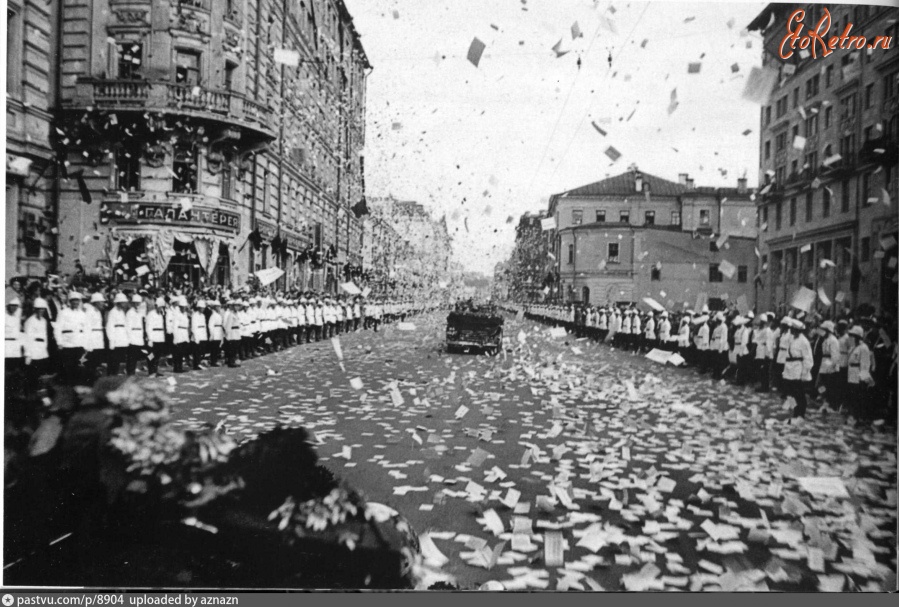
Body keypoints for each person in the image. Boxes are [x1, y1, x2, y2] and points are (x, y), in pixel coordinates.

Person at [782, 319, 813, 423]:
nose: (791, 331)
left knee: (799, 393)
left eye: (793, 329)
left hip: (798, 369)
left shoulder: (804, 341)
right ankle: (795, 411)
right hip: (789, 368)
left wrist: (804, 373)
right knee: (790, 393)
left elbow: (808, 359)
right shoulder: (792, 339)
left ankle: (801, 413)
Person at [54, 291, 87, 383]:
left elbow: (86, 329)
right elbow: (57, 328)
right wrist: (59, 342)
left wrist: (86, 343)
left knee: (79, 365)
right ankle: (68, 385)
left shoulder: (82, 314)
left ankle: (77, 385)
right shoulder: (63, 312)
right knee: (68, 366)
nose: (76, 303)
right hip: (67, 343)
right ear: (70, 301)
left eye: (77, 301)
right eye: (73, 300)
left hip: (79, 343)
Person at [846, 325, 874, 420]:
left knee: (857, 396)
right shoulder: (854, 347)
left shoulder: (863, 348)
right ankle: (852, 414)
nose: (851, 337)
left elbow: (865, 364)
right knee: (851, 394)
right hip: (851, 374)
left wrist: (863, 377)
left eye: (853, 335)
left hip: (858, 375)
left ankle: (857, 416)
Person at [23, 297, 53, 387]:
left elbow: (45, 337)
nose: (41, 310)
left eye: (43, 309)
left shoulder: (44, 321)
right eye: (39, 309)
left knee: (42, 373)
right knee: (33, 374)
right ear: (35, 309)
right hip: (33, 350)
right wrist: (28, 354)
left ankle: (41, 392)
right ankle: (33, 394)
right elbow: (27, 338)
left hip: (42, 350)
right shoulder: (30, 321)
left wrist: (45, 349)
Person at [106, 293, 130, 376]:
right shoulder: (113, 312)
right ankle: (111, 376)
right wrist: (111, 340)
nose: (124, 303)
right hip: (115, 337)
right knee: (113, 360)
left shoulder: (122, 312)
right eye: (123, 302)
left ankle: (114, 375)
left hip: (122, 337)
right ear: (119, 302)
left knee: (118, 359)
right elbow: (110, 326)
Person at [84, 293, 106, 378]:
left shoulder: (98, 312)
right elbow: (87, 327)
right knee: (91, 361)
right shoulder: (90, 311)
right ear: (96, 302)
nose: (103, 304)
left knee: (96, 360)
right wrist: (88, 343)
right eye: (101, 302)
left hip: (98, 339)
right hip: (92, 339)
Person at [125, 294, 146, 376]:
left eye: (139, 303)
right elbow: (128, 326)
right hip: (132, 336)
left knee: (135, 356)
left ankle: (132, 372)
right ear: (133, 303)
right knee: (131, 357)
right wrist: (129, 338)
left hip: (138, 336)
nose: (138, 304)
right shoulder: (130, 313)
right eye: (136, 303)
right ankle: (130, 372)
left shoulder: (139, 313)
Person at [146, 297, 166, 377]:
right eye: (159, 306)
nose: (160, 308)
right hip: (153, 337)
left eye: (162, 307)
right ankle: (151, 371)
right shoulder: (151, 314)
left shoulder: (161, 314)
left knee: (157, 355)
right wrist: (150, 339)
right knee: (151, 355)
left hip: (160, 337)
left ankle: (155, 370)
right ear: (156, 306)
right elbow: (149, 327)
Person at [6, 296, 24, 379]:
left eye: (16, 306)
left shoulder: (17, 318)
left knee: (14, 368)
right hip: (5, 345)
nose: (14, 308)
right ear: (8, 306)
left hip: (15, 346)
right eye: (12, 305)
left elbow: (18, 333)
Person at [753, 314, 772, 392]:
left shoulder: (767, 330)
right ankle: (762, 385)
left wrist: (767, 355)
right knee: (760, 370)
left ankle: (765, 387)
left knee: (764, 371)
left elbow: (769, 343)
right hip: (759, 351)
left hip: (764, 352)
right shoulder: (758, 330)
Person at [172, 297, 190, 373]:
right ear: (180, 307)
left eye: (185, 307)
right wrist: (175, 337)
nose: (183, 308)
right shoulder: (177, 314)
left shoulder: (185, 314)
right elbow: (175, 326)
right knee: (178, 352)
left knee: (182, 351)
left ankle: (180, 366)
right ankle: (176, 367)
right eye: (182, 307)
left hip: (184, 333)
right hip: (179, 333)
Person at [223, 300, 242, 368]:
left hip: (237, 332)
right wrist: (227, 334)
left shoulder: (237, 314)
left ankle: (233, 360)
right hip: (232, 332)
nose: (237, 307)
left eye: (238, 306)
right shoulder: (230, 314)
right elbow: (228, 325)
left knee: (235, 348)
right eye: (236, 306)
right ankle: (231, 362)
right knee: (232, 348)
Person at [191, 300, 208, 369]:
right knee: (196, 351)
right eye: (201, 308)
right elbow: (194, 326)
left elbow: (204, 326)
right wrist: (196, 336)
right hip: (197, 334)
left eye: (203, 308)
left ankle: (199, 363)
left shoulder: (203, 315)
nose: (203, 309)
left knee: (200, 350)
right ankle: (196, 364)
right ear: (198, 308)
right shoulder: (195, 315)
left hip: (202, 333)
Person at [208, 300, 224, 367]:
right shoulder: (213, 315)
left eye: (219, 306)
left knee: (217, 347)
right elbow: (210, 325)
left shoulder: (218, 315)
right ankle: (213, 361)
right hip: (215, 332)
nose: (219, 308)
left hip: (219, 331)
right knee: (214, 348)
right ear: (215, 307)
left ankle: (215, 360)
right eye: (217, 307)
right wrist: (212, 334)